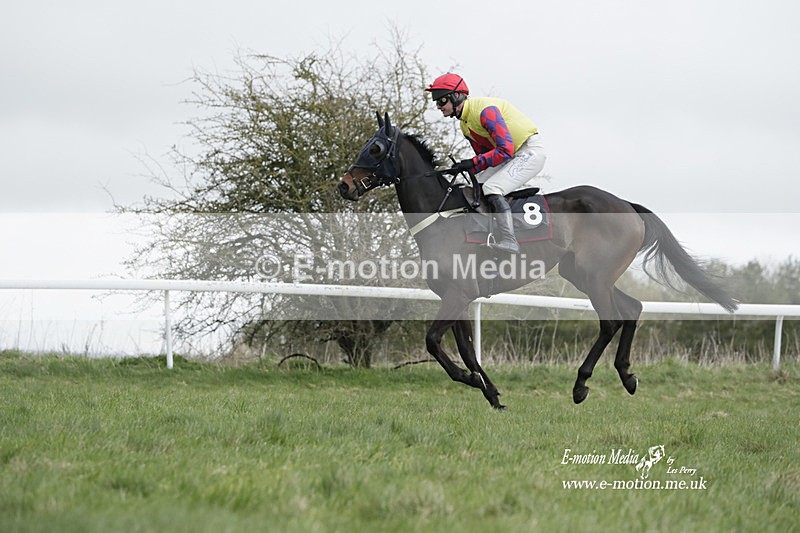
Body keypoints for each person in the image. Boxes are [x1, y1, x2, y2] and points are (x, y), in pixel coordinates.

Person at [426, 73, 546, 254]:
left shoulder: (484, 111)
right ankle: (488, 235)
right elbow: (486, 158)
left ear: (456, 96)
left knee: (492, 188)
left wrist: (472, 162)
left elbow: (505, 149)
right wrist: (463, 168)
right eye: (436, 102)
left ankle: (510, 240)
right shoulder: (464, 124)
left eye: (441, 100)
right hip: (510, 155)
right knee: (475, 187)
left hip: (528, 151)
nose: (438, 106)